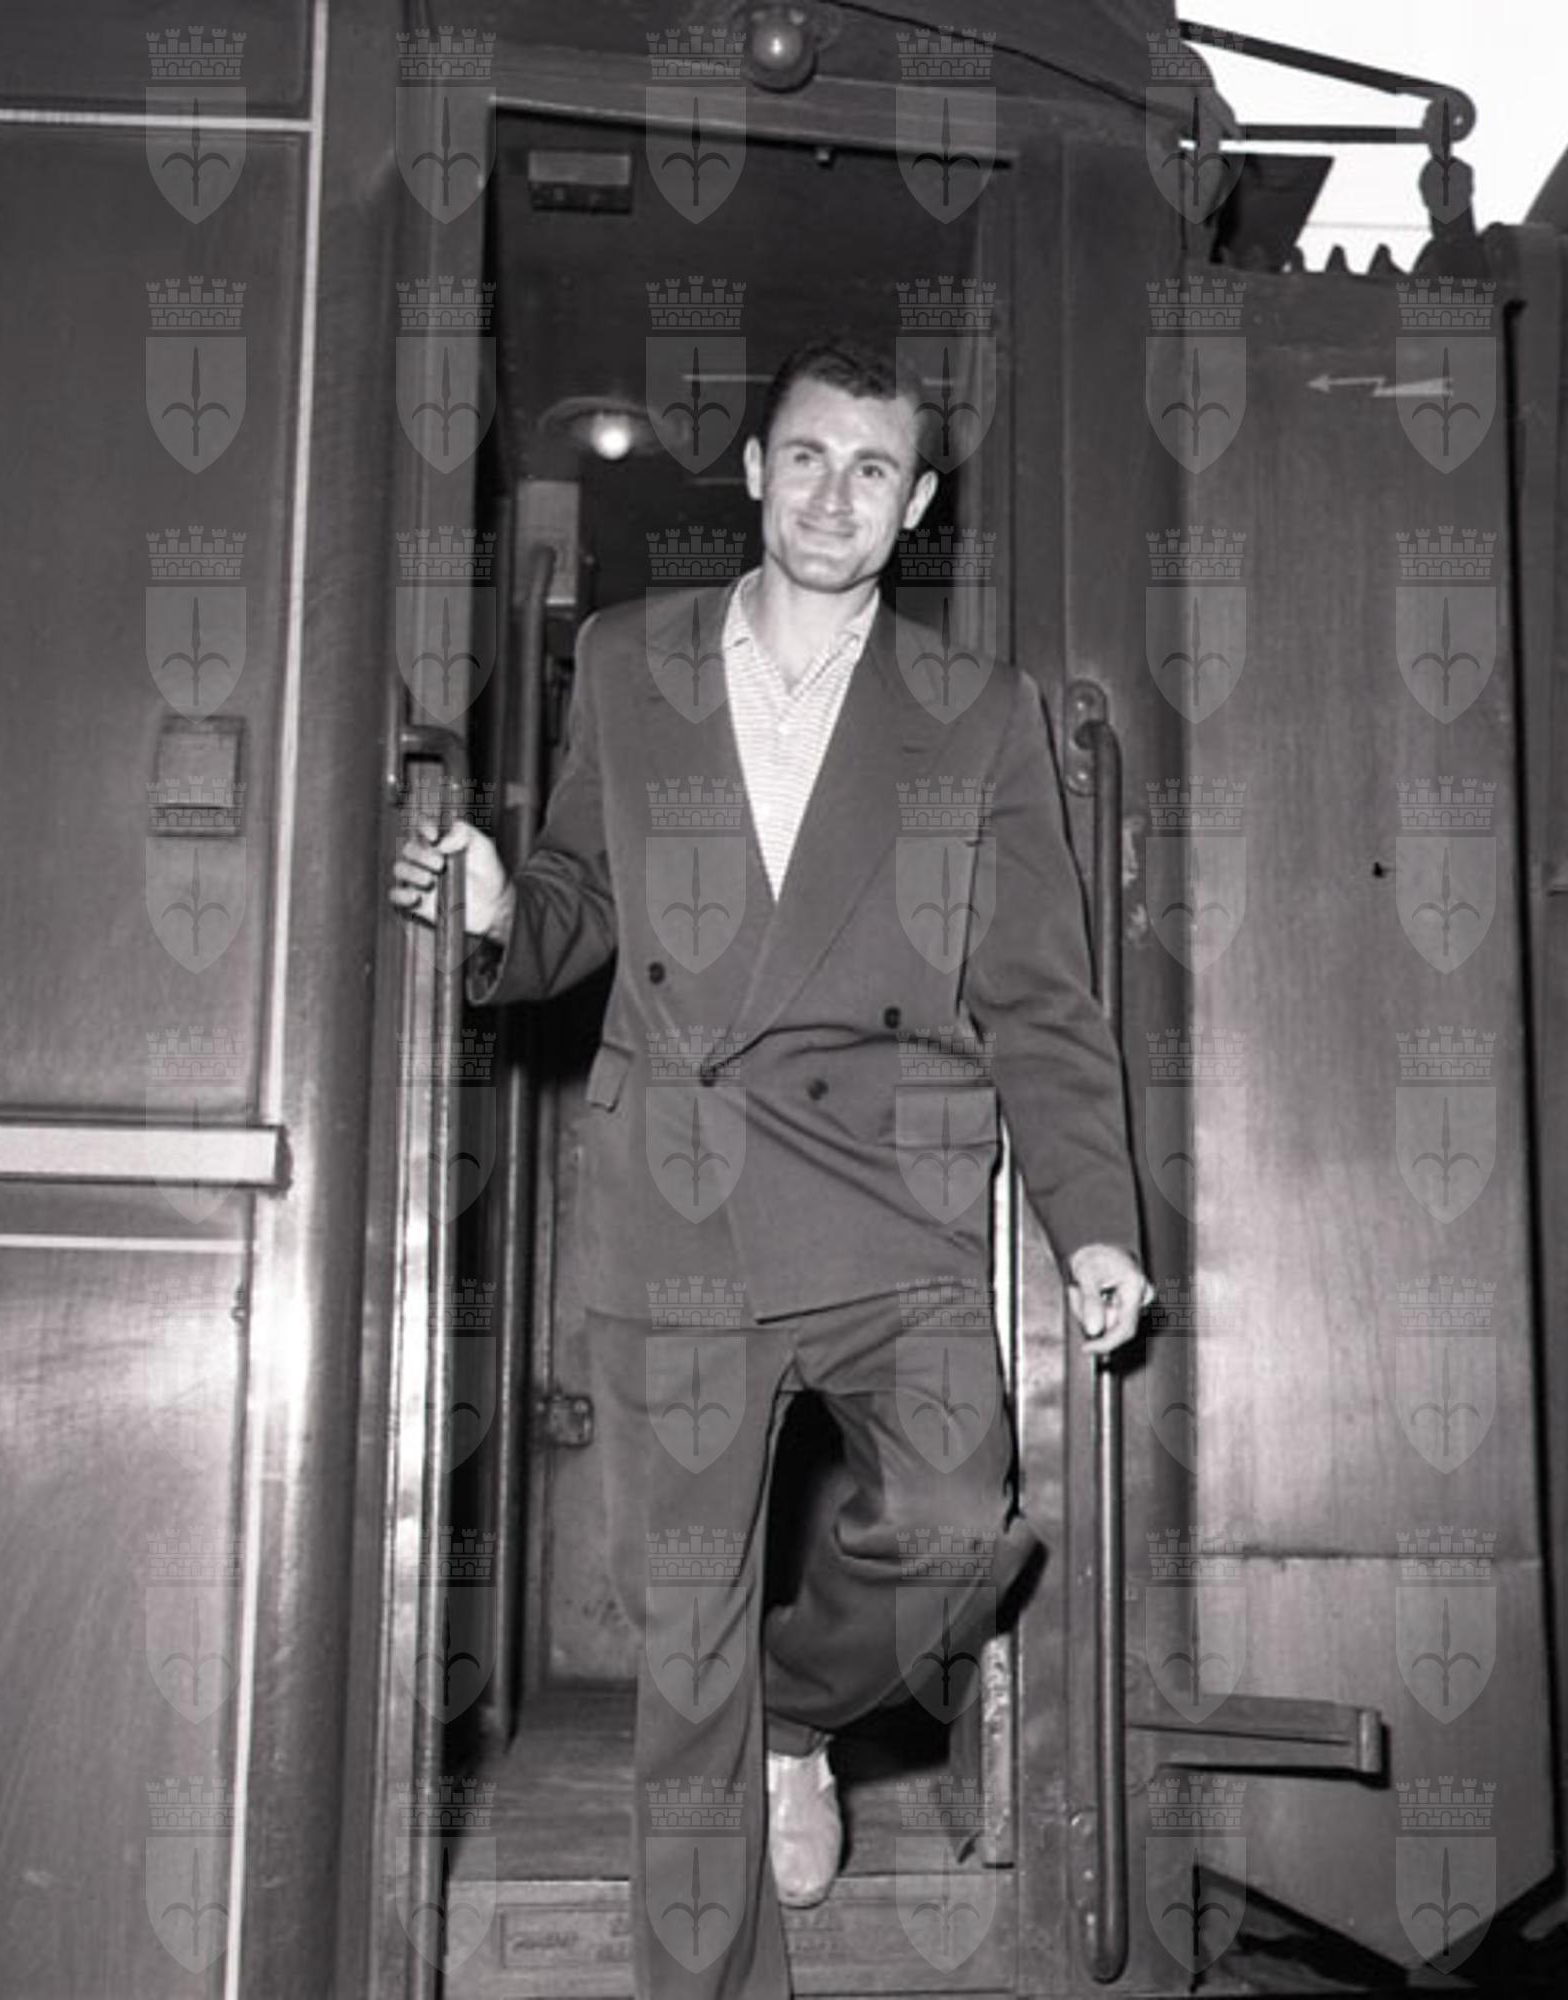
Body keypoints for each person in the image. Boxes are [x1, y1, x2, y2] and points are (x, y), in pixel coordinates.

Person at [392, 337, 1151, 1999]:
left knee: (954, 1530)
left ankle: (796, 1719)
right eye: (805, 457)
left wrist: (1093, 1224)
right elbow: (581, 900)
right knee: (686, 1658)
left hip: (891, 1197)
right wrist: (503, 915)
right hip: (672, 1194)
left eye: (872, 470)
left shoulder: (981, 712)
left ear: (916, 505)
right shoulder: (627, 658)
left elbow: (1037, 997)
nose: (831, 495)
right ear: (752, 471)